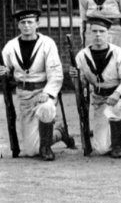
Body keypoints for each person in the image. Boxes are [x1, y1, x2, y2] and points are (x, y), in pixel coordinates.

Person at [0, 9, 72, 160]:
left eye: (30, 22)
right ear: (18, 25)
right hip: (24, 96)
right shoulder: (11, 46)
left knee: (46, 107)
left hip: (42, 92)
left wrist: (48, 93)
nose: (26, 26)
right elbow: (5, 70)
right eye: (23, 22)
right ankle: (59, 132)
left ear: (37, 24)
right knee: (31, 150)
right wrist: (4, 71)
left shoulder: (47, 44)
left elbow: (56, 74)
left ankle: (46, 147)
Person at [70, 16, 121, 158]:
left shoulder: (118, 53)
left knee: (117, 108)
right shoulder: (82, 56)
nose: (98, 35)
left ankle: (118, 144)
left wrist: (117, 94)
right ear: (88, 34)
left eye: (101, 31)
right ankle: (118, 133)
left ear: (108, 34)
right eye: (94, 31)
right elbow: (81, 84)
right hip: (100, 99)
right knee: (101, 149)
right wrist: (75, 76)